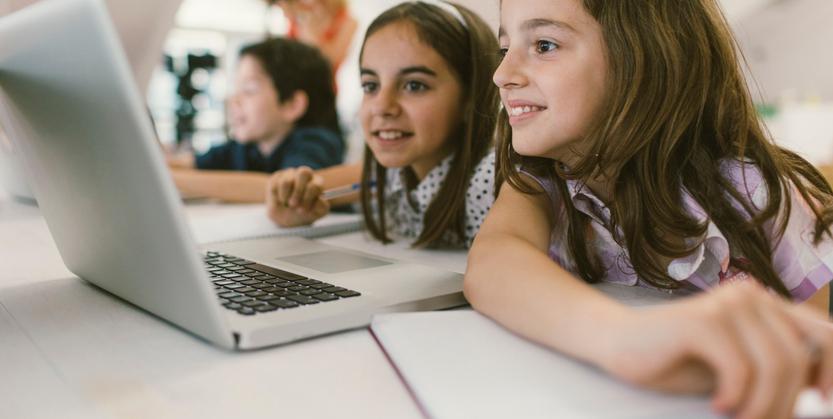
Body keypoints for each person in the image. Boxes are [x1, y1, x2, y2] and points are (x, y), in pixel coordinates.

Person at [464, 1, 833, 418]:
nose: (501, 75)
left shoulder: (757, 194)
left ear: (643, 59)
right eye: (505, 48)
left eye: (544, 44)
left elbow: (811, 365)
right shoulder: (543, 181)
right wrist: (626, 338)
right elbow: (494, 263)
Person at [264, 1, 500, 248]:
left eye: (414, 85)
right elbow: (305, 189)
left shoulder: (491, 183)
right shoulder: (392, 174)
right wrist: (292, 203)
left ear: (471, 98)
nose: (381, 106)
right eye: (371, 86)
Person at [168, 37, 344, 202]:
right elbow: (191, 163)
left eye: (249, 89)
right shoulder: (247, 147)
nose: (233, 100)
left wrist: (172, 179)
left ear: (292, 105)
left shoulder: (315, 143)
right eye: (235, 89)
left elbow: (281, 189)